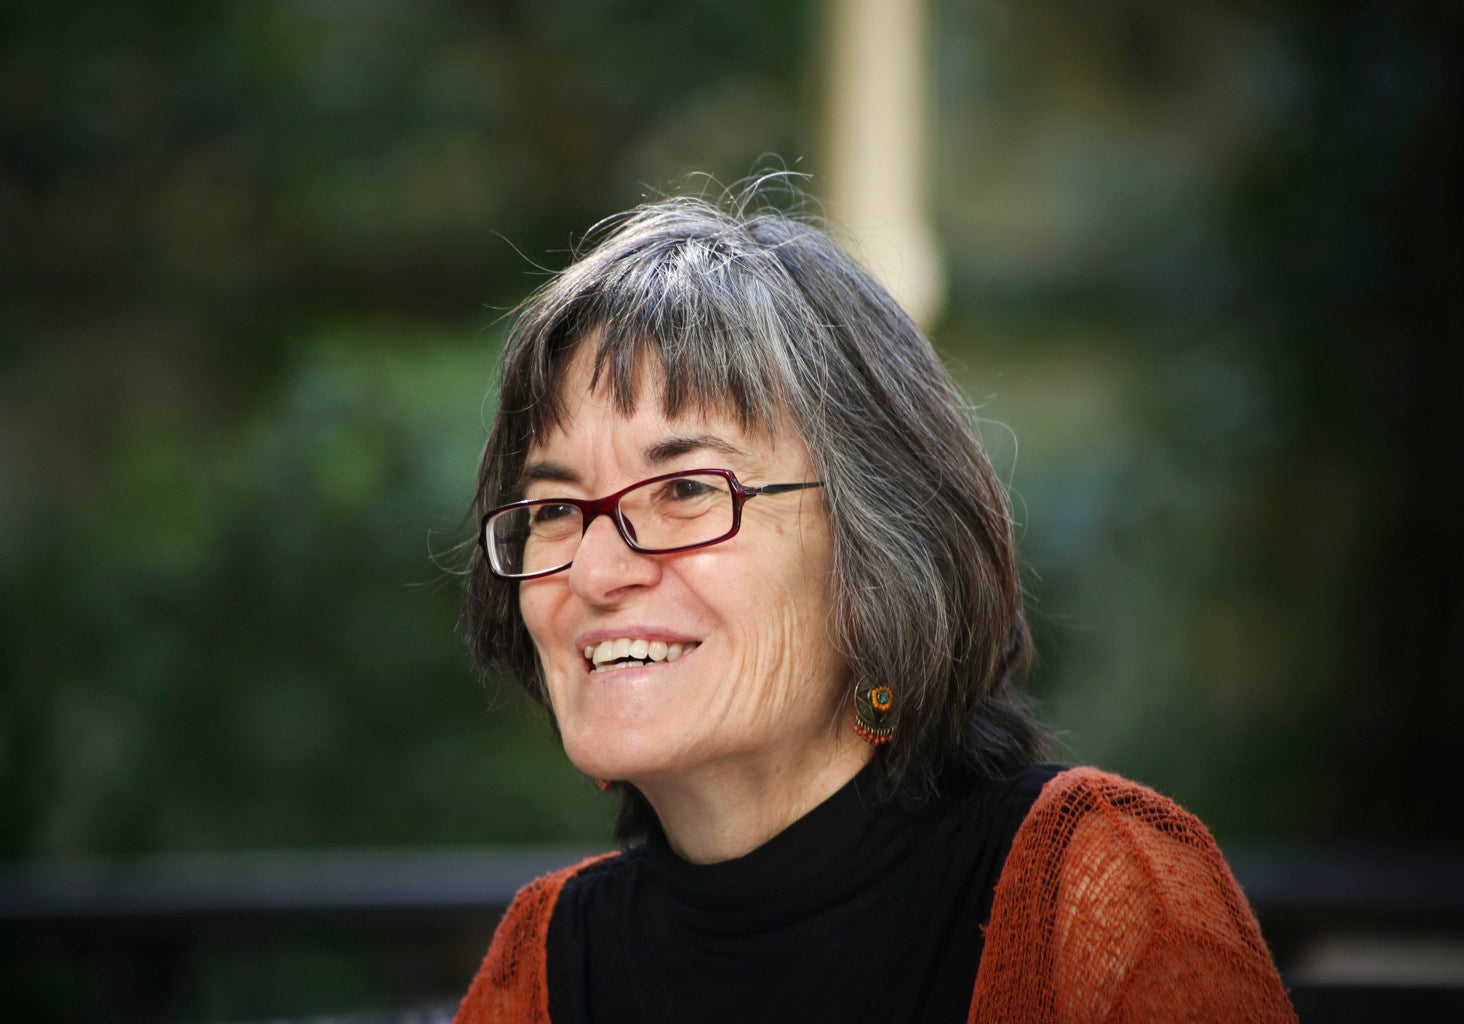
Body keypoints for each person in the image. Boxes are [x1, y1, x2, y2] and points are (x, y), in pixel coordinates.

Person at [453, 184, 1298, 1023]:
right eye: (554, 508)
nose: (596, 572)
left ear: (880, 540)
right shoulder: (546, 961)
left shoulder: (1094, 895)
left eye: (685, 489)